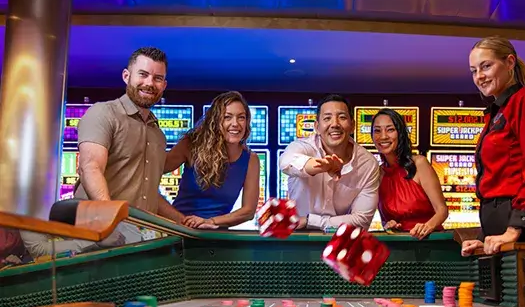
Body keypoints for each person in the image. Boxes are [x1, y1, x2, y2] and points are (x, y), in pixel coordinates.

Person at [75, 47, 183, 243]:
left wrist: (182, 221)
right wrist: (112, 222)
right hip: (96, 236)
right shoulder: (103, 113)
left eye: (158, 78)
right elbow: (90, 168)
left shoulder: (158, 135)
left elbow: (148, 194)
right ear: (126, 76)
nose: (150, 83)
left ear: (164, 85)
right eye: (143, 74)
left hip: (139, 240)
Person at [462, 36, 525, 257]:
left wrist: (514, 228)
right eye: (474, 70)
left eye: (486, 66)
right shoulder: (496, 112)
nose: (479, 76)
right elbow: (495, 180)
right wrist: (482, 238)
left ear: (510, 62)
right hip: (499, 226)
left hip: (524, 228)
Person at [279, 94, 380, 231]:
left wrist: (310, 221)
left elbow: (361, 220)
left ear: (353, 126)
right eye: (327, 118)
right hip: (297, 237)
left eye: (342, 117)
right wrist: (321, 166)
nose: (335, 124)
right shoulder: (302, 147)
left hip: (341, 239)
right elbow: (286, 163)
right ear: (317, 127)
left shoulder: (368, 164)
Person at [165, 91, 260, 229]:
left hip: (216, 234)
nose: (235, 123)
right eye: (227, 117)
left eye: (241, 117)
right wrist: (179, 219)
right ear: (215, 121)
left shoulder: (251, 159)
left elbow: (248, 211)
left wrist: (211, 221)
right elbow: (149, 176)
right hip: (179, 229)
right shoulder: (191, 145)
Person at [371, 108, 448, 240]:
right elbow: (386, 221)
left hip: (429, 242)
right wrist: (389, 225)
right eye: (377, 131)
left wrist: (426, 226)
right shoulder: (378, 173)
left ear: (400, 133)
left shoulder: (419, 163)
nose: (383, 136)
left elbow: (442, 211)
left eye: (390, 129)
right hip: (400, 244)